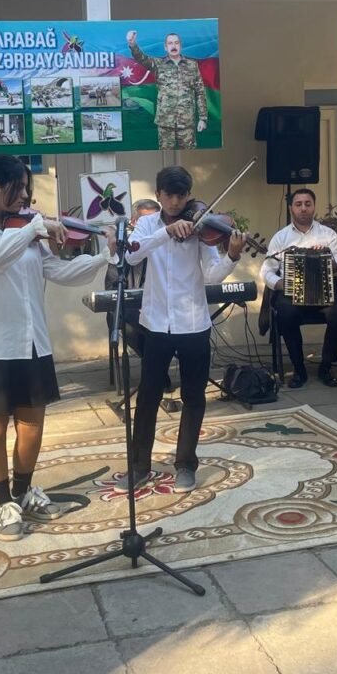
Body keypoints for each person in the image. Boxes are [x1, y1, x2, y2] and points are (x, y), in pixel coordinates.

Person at [0, 155, 116, 541]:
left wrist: (103, 256)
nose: (27, 196)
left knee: (32, 425)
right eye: (21, 187)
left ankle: (24, 492)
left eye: (27, 188)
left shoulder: (24, 230)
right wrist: (35, 228)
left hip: (32, 341)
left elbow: (57, 271)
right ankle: (2, 503)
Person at [113, 166, 246, 495]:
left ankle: (185, 464)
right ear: (158, 195)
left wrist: (232, 256)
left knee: (194, 396)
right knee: (148, 396)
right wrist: (167, 232)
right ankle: (139, 466)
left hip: (193, 323)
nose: (175, 202)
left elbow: (212, 275)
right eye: (169, 195)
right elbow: (132, 256)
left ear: (189, 195)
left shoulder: (200, 226)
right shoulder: (147, 224)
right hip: (156, 322)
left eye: (181, 195)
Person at [261, 188, 337, 389]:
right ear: (291, 208)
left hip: (323, 292)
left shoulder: (328, 235)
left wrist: (328, 259)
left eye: (307, 204)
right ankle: (299, 368)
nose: (303, 208)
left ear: (314, 207)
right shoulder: (281, 238)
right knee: (286, 312)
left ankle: (326, 366)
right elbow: (266, 270)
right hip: (292, 295)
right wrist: (281, 284)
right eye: (298, 204)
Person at [126, 30, 207, 150]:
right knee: (165, 155)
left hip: (187, 123)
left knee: (189, 155)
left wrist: (203, 118)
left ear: (181, 45)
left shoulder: (192, 65)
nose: (173, 46)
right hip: (165, 123)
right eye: (170, 43)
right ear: (165, 47)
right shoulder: (158, 64)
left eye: (176, 43)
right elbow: (141, 58)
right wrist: (132, 44)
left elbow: (200, 92)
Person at [103, 198, 161, 365]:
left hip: (161, 307)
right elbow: (111, 286)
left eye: (155, 220)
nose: (151, 225)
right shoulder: (123, 249)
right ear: (134, 222)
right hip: (133, 311)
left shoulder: (165, 245)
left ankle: (157, 363)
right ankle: (153, 362)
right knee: (130, 326)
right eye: (145, 220)